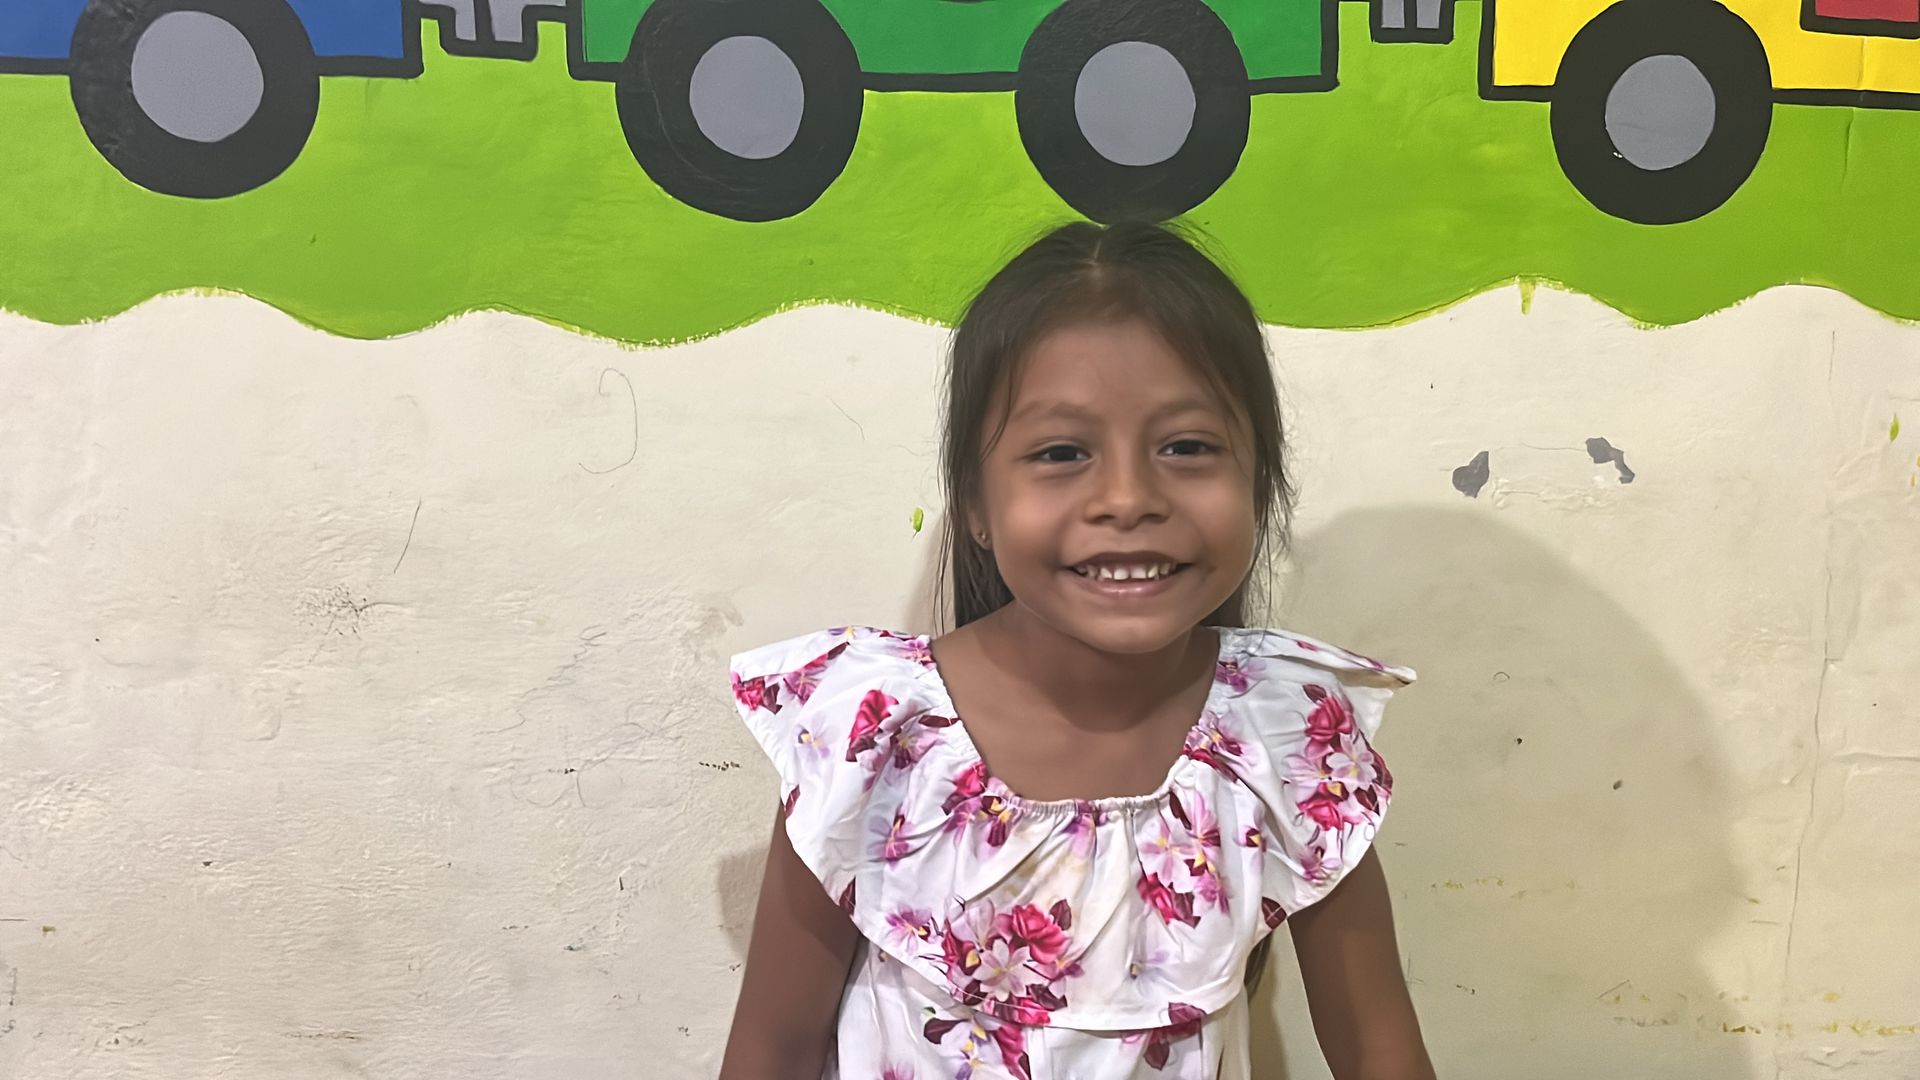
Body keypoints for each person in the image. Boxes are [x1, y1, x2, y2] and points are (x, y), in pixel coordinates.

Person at [719, 221, 1436, 1079]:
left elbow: (1380, 1049)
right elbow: (772, 1050)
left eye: (1187, 447)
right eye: (1061, 453)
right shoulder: (873, 736)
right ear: (975, 503)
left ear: (1259, 481)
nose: (1127, 499)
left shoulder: (1290, 739)